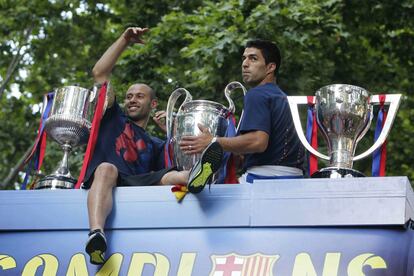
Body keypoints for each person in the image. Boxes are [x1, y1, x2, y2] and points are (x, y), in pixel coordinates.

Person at [83, 27, 223, 265]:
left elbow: (167, 168)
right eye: (129, 96)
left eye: (139, 96)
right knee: (107, 168)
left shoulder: (156, 143)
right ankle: (96, 234)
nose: (132, 100)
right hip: (109, 179)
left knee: (174, 175)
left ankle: (197, 176)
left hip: (137, 185)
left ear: (153, 103)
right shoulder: (112, 117)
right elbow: (99, 72)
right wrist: (125, 40)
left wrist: (169, 132)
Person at [180, 39, 304, 184]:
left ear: (270, 67)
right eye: (244, 58)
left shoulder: (258, 94)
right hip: (295, 181)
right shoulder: (282, 98)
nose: (245, 64)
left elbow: (258, 142)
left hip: (264, 180)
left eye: (253, 59)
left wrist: (213, 142)